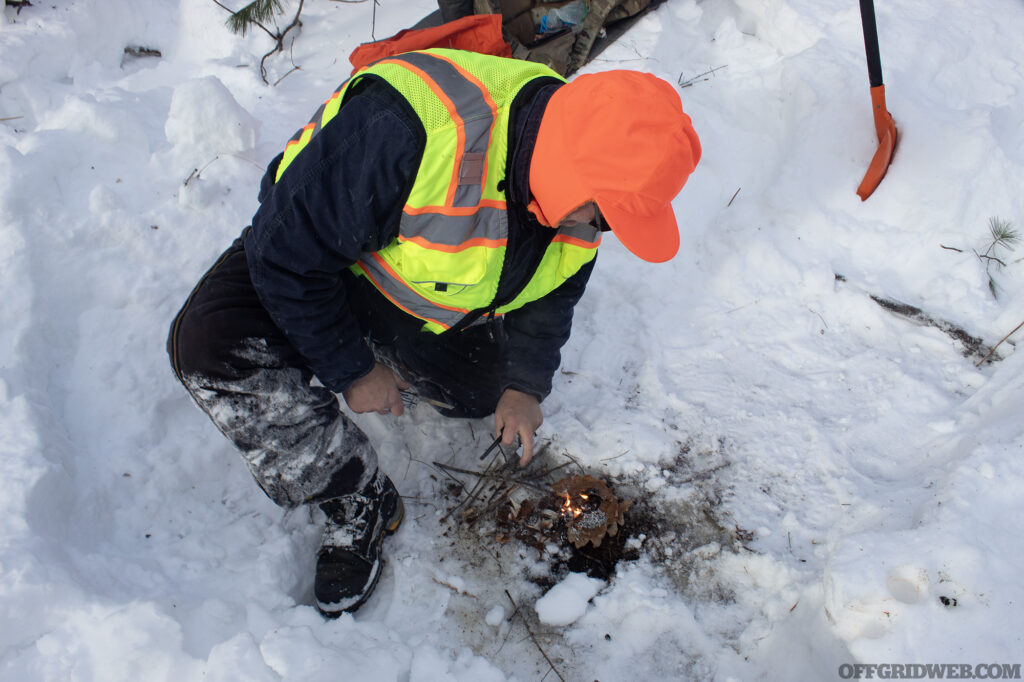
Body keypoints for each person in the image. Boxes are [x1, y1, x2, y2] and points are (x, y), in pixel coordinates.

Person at [167, 48, 701, 616]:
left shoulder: (575, 192)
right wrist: (352, 369)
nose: (605, 228)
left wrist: (525, 386)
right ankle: (354, 495)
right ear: (574, 173)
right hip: (312, 258)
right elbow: (284, 255)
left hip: (403, 294)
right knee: (210, 348)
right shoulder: (406, 128)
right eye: (607, 213)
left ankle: (382, 352)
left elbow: (554, 289)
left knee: (477, 392)